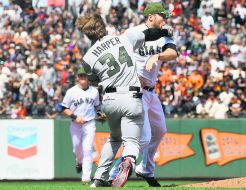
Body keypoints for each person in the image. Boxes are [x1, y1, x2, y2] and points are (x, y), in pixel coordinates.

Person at [75, 13, 172, 187]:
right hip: (131, 96)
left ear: (87, 33)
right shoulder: (123, 38)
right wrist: (165, 31)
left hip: (110, 99)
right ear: (103, 26)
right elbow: (150, 34)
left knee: (114, 138)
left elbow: (93, 79)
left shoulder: (87, 58)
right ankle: (128, 161)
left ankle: (98, 178)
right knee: (133, 142)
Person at [109, 2, 178, 187]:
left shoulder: (163, 35)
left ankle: (145, 169)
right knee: (144, 137)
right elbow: (117, 55)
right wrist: (129, 77)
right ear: (150, 17)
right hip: (135, 91)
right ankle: (113, 175)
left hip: (151, 92)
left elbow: (173, 53)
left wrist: (157, 56)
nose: (165, 19)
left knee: (161, 130)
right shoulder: (134, 33)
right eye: (162, 16)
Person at [60, 67, 100, 184]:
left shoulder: (95, 91)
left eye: (84, 76)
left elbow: (97, 106)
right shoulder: (71, 92)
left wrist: (99, 113)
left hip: (89, 123)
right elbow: (64, 108)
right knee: (77, 148)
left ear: (88, 78)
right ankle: (79, 161)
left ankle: (86, 177)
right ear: (77, 78)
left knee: (87, 149)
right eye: (80, 76)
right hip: (75, 124)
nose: (82, 78)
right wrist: (75, 117)